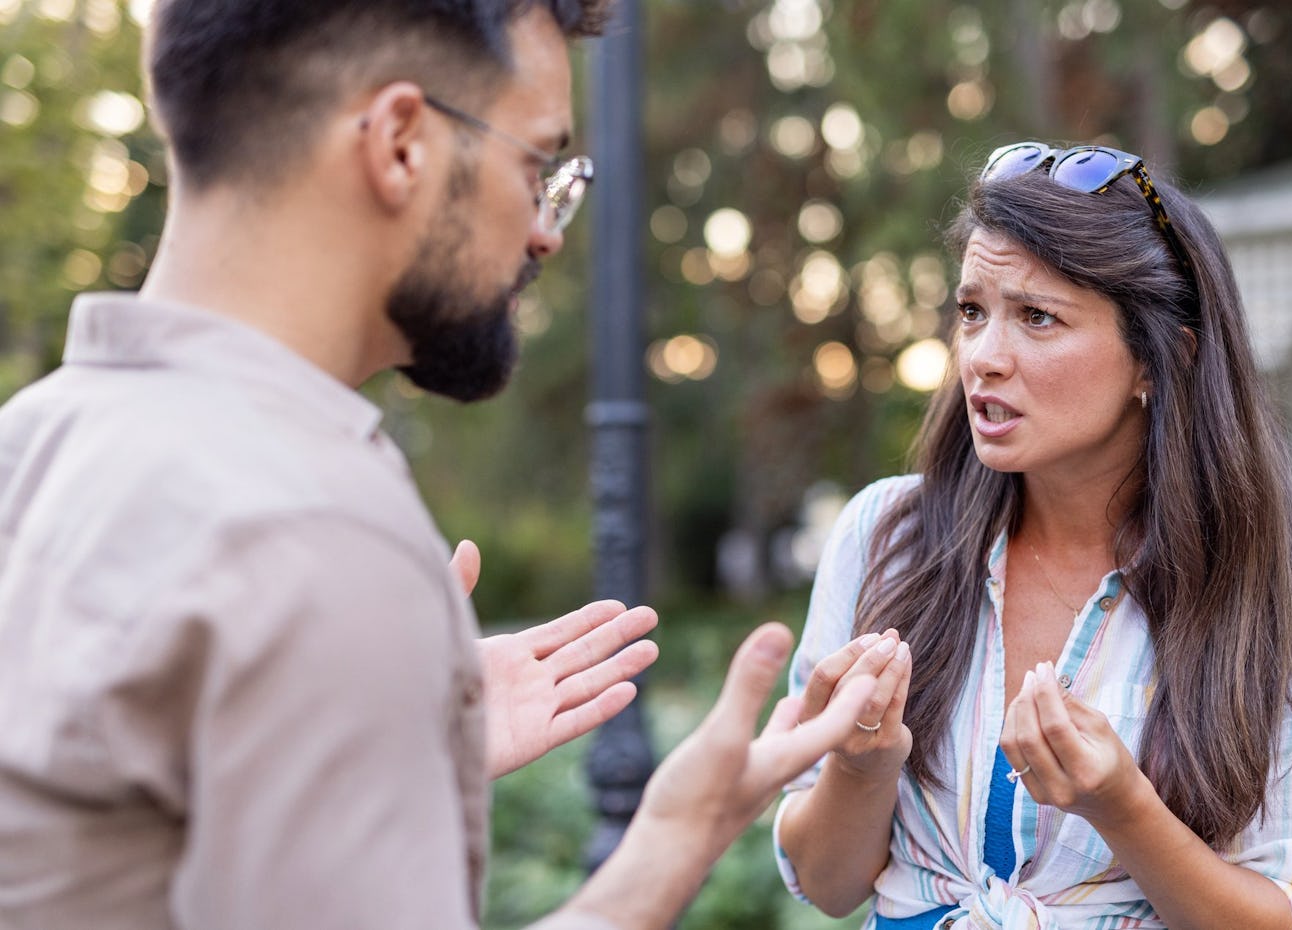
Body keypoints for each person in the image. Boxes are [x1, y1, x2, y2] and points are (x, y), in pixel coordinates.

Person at [0, 1, 878, 928]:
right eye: (537, 166)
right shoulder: (314, 524)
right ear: (402, 144)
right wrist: (678, 836)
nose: (545, 231)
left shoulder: (33, 443)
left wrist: (397, 738)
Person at [774, 142, 1292, 929]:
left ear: (1158, 361)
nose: (983, 357)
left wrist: (1123, 807)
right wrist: (860, 766)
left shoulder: (1283, 594)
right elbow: (828, 884)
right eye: (972, 312)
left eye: (1038, 317)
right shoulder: (886, 538)